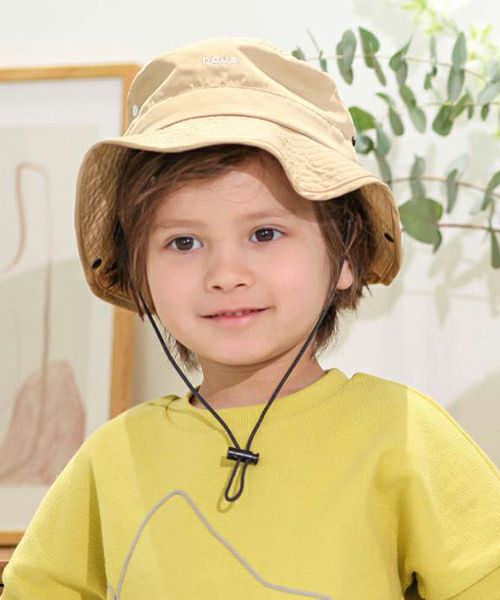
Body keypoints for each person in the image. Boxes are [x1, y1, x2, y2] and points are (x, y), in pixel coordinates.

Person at [2, 36, 500, 600]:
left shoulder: (406, 434)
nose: (225, 273)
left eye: (265, 233)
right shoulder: (113, 457)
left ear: (345, 254)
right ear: (140, 272)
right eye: (184, 242)